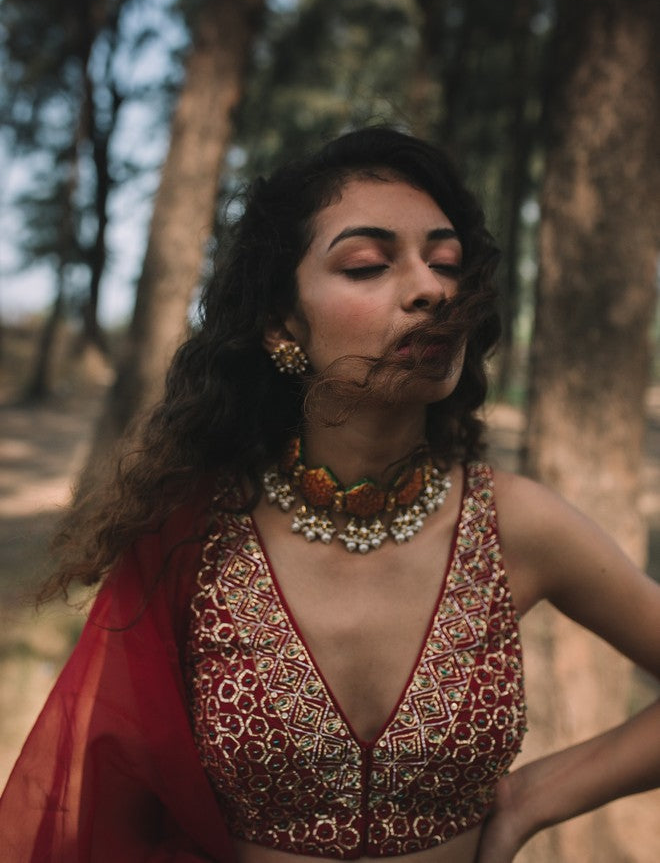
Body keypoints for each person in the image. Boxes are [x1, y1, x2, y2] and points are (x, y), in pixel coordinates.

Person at [1, 126, 658, 863]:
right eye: (369, 264)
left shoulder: (514, 525)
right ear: (282, 323)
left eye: (446, 263)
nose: (432, 288)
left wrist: (534, 799)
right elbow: (112, 794)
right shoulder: (191, 529)